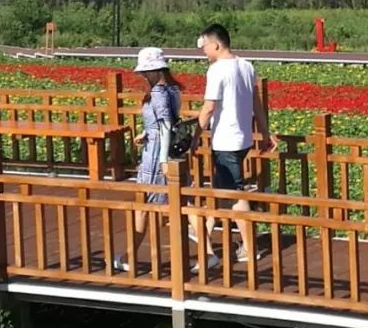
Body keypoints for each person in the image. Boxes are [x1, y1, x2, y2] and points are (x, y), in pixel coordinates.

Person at [112, 48, 219, 271]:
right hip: (170, 150)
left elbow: (165, 125)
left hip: (157, 155)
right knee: (185, 202)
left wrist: (161, 157)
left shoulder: (159, 92)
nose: (143, 76)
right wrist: (146, 133)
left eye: (145, 72)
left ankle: (129, 257)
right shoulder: (173, 89)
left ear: (153, 70)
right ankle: (208, 253)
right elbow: (166, 123)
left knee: (143, 204)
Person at [196, 24, 277, 263]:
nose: (204, 52)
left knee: (235, 195)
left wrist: (194, 134)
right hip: (242, 139)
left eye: (205, 46)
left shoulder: (217, 70)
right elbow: (256, 103)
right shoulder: (246, 65)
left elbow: (209, 107)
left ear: (216, 44)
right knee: (222, 191)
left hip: (225, 141)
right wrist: (264, 131)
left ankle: (250, 249)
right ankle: (204, 234)